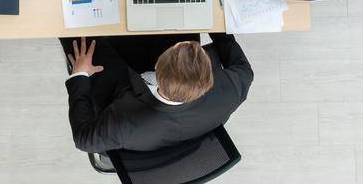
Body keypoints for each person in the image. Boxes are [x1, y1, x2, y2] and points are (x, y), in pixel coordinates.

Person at [63, 33, 252, 153]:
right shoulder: (232, 90)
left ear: (157, 66)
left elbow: (82, 139)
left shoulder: (123, 124)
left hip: (123, 97)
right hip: (175, 123)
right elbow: (243, 67)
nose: (188, 42)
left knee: (76, 34)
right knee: (179, 21)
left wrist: (80, 75)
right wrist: (213, 22)